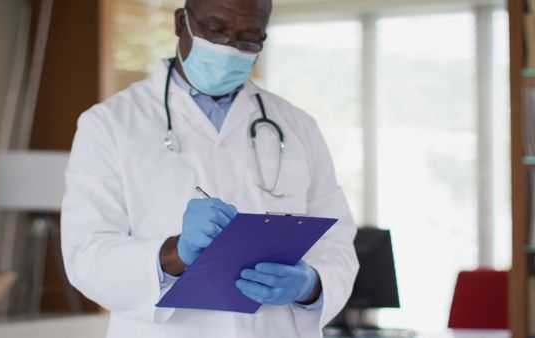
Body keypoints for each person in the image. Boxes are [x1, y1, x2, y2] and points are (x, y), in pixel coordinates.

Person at [61, 0, 358, 337]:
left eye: (249, 38)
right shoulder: (108, 124)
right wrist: (174, 254)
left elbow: (337, 244)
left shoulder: (297, 126)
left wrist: (311, 285)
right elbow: (86, 256)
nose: (230, 48)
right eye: (215, 30)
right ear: (180, 22)